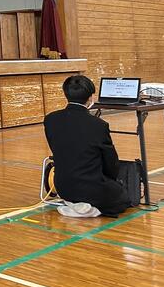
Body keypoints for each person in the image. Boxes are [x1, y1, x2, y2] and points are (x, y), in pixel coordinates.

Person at [44, 75, 130, 218]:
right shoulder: (99, 125)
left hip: (63, 187)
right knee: (123, 198)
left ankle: (73, 204)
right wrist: (111, 181)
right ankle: (90, 210)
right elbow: (110, 162)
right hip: (92, 189)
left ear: (66, 94)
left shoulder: (50, 119)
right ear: (90, 98)